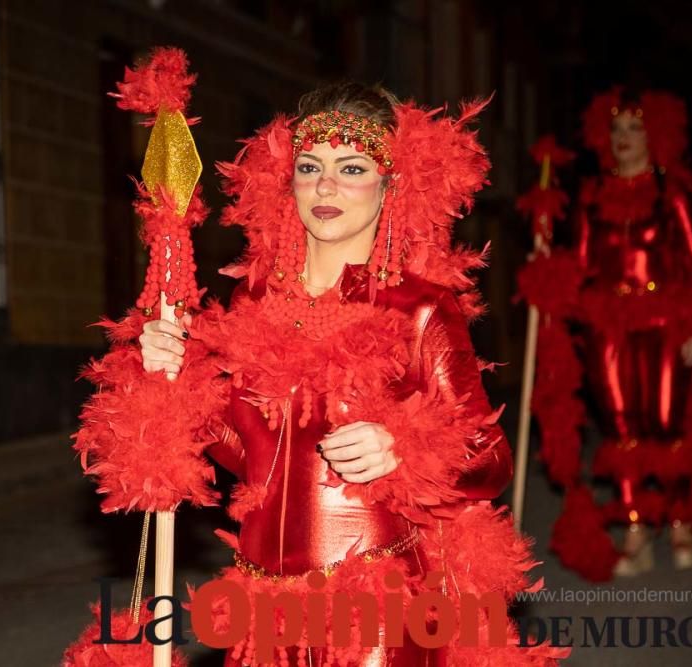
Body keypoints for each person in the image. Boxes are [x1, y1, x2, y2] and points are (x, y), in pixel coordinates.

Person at [70, 79, 567, 666]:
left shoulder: (420, 307)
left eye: (352, 168)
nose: (326, 185)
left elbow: (490, 456)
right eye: (310, 166)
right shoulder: (250, 302)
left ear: (391, 187)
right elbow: (247, 455)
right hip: (262, 603)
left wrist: (405, 449)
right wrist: (179, 383)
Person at [549, 88, 692, 579]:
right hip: (606, 325)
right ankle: (635, 524)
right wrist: (545, 266)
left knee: (665, 421)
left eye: (634, 129)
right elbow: (580, 263)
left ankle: (679, 520)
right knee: (620, 425)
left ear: (655, 135)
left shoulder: (670, 193)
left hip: (664, 322)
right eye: (616, 130)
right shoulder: (593, 195)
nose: (624, 139)